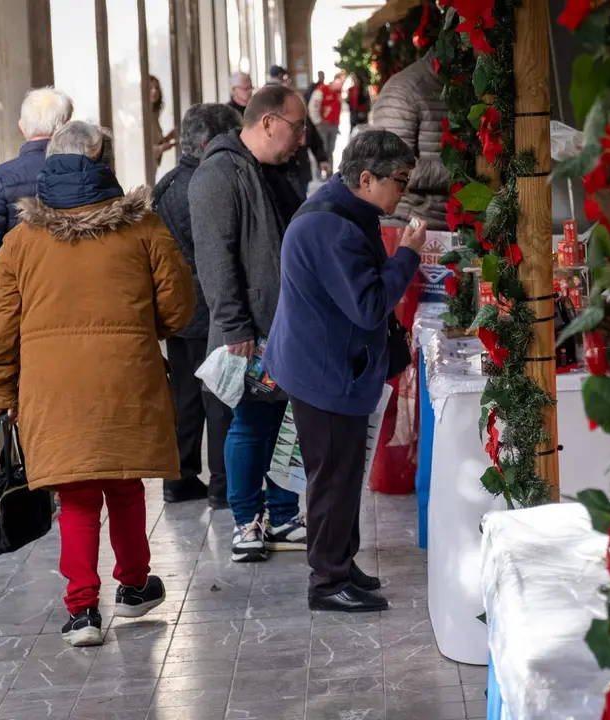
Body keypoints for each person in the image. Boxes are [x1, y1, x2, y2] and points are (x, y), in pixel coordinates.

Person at [0, 121, 196, 646]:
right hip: (127, 378)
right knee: (124, 484)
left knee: (75, 497)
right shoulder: (143, 227)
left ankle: (82, 613)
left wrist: (1, 391)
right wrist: (144, 330)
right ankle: (136, 585)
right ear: (102, 162)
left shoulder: (21, 240)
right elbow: (179, 305)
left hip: (52, 390)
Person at [264, 130, 425, 612]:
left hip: (329, 363)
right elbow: (370, 305)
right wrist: (408, 256)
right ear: (366, 177)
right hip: (324, 373)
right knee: (333, 476)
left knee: (342, 473)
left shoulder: (349, 210)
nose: (404, 191)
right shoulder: (332, 228)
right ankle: (327, 582)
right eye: (399, 180)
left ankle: (341, 560)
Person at [190, 84, 309, 562]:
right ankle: (246, 521)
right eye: (296, 127)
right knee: (250, 423)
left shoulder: (271, 169)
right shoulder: (218, 173)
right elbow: (215, 259)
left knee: (286, 424)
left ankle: (282, 515)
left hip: (284, 323)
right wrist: (236, 327)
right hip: (249, 330)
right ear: (267, 122)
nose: (302, 137)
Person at [154, 103, 243, 508]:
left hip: (178, 305)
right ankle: (223, 483)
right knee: (220, 394)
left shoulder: (167, 184)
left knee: (185, 395)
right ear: (210, 142)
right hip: (212, 303)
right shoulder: (214, 181)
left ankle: (180, 477)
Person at [0, 87, 74, 275]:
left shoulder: (2, 178)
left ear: (22, 127)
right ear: (67, 126)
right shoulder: (88, 170)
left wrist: (11, 277)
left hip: (24, 289)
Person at [371, 51, 448, 229]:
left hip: (452, 226)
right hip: (415, 225)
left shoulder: (460, 84)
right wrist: (462, 174)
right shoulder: (404, 89)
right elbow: (390, 166)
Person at [309, 71, 344, 163]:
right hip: (322, 126)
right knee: (322, 150)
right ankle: (320, 174)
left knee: (330, 150)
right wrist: (318, 121)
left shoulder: (338, 93)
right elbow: (313, 107)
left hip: (334, 125)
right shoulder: (321, 90)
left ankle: (329, 173)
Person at [148, 75, 177, 170]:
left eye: (157, 88)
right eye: (150, 88)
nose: (154, 91)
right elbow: (142, 150)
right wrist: (163, 148)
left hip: (153, 168)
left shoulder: (153, 115)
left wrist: (168, 138)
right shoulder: (140, 118)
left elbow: (155, 142)